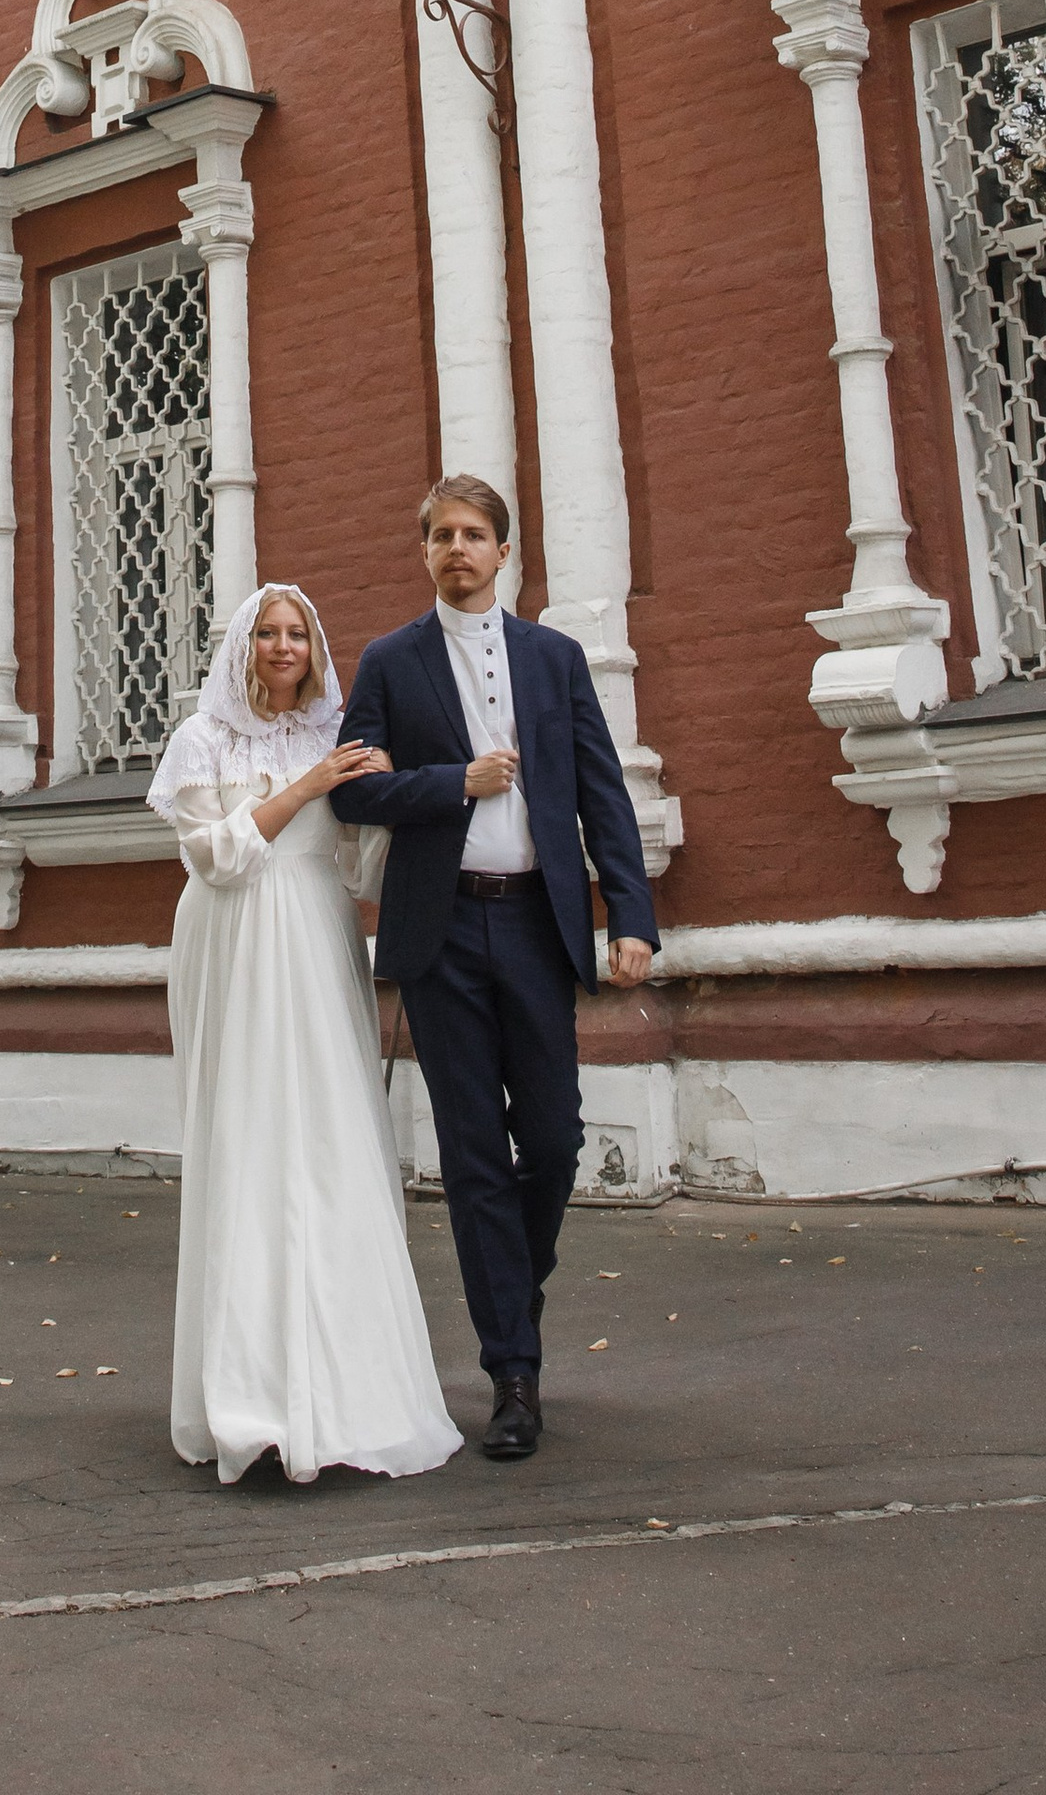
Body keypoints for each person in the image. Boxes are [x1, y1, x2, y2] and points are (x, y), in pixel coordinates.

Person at [331, 475, 656, 1462]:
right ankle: (512, 1370)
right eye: (440, 536)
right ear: (424, 551)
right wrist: (450, 785)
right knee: (475, 1159)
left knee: (552, 1141)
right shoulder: (390, 663)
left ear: (503, 552)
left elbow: (601, 790)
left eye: (474, 535)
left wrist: (630, 916)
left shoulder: (553, 660)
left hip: (534, 927)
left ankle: (513, 1286)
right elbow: (352, 796)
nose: (457, 551)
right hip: (442, 935)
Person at [149, 583, 464, 1485]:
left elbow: (362, 857)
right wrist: (309, 787)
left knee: (331, 1140)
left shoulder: (338, 739)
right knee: (248, 1140)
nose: (284, 647)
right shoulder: (203, 741)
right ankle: (249, 1398)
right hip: (236, 938)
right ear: (243, 647)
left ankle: (353, 1393)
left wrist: (407, 791)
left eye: (298, 634)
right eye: (268, 634)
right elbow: (215, 858)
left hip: (319, 936)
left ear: (316, 650)